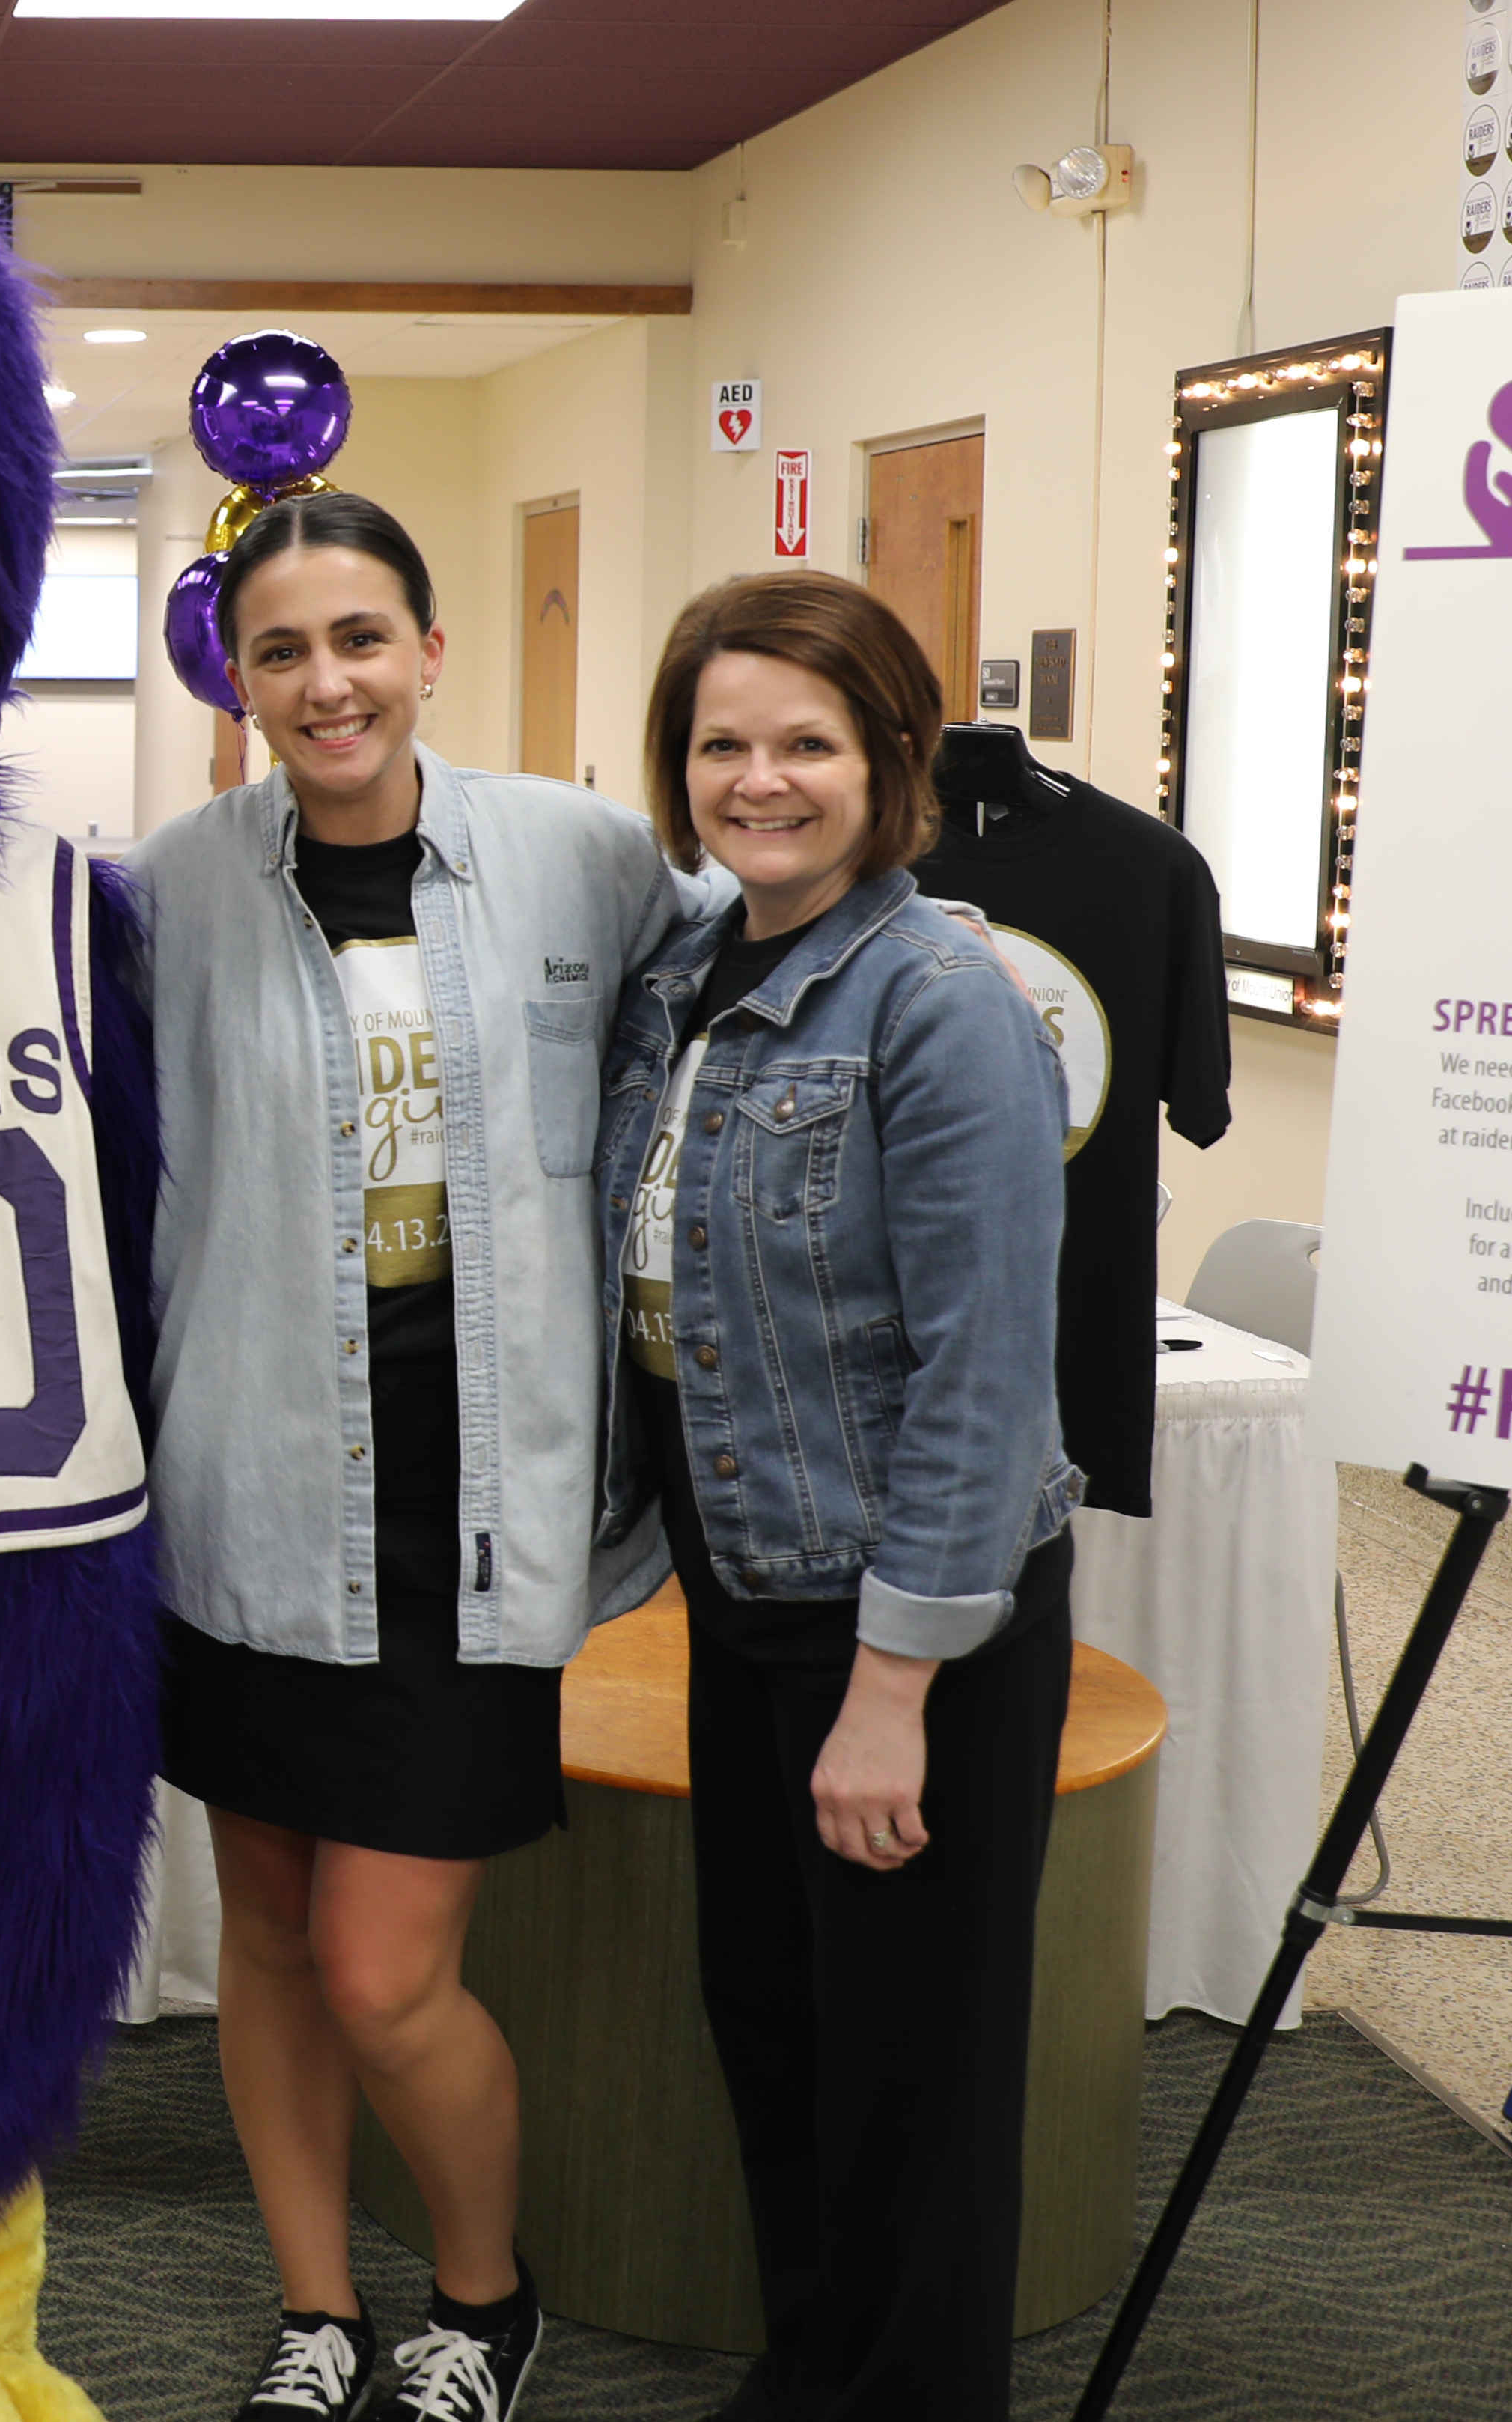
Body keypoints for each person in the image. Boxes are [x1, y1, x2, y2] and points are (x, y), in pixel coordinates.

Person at [138, 491, 692, 2422]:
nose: (325, 682)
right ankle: (319, 2313)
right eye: (279, 651)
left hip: (477, 1515)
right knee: (272, 1946)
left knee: (385, 1969)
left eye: (360, 638)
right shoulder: (173, 889)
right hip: (251, 1494)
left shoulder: (580, 858)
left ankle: (483, 2298)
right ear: (239, 681)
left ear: (431, 652)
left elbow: (753, 980)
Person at [598, 570, 1077, 2422]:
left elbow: (983, 1379)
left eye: (807, 743)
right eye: (724, 743)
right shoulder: (693, 968)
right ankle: (815, 2371)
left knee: (913, 2090)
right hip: (750, 1590)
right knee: (784, 2035)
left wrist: (895, 1690)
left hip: (914, 1624)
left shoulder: (944, 999)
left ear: (893, 761)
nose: (760, 779)